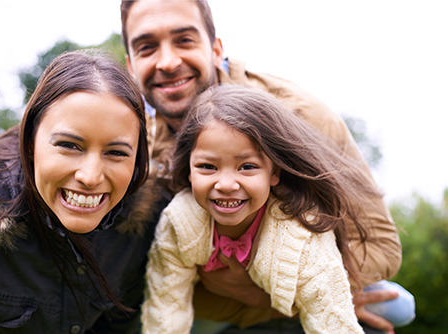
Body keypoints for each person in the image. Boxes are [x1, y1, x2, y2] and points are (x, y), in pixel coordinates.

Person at [120, 1, 405, 333]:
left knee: (385, 310)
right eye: (146, 48)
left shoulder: (299, 115)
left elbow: (381, 248)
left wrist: (301, 294)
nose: (167, 62)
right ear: (130, 65)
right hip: (228, 309)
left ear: (215, 49)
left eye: (184, 40)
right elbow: (158, 279)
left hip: (314, 276)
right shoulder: (134, 147)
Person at [0, 49, 163, 333]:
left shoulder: (140, 222)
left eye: (116, 152)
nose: (90, 177)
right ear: (30, 143)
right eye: (69, 145)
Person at [142, 85, 382, 333]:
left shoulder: (301, 236)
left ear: (274, 172)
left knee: (398, 307)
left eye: (246, 167)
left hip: (309, 285)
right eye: (207, 166)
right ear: (189, 169)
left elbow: (331, 322)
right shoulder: (179, 221)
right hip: (226, 307)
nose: (225, 185)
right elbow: (165, 309)